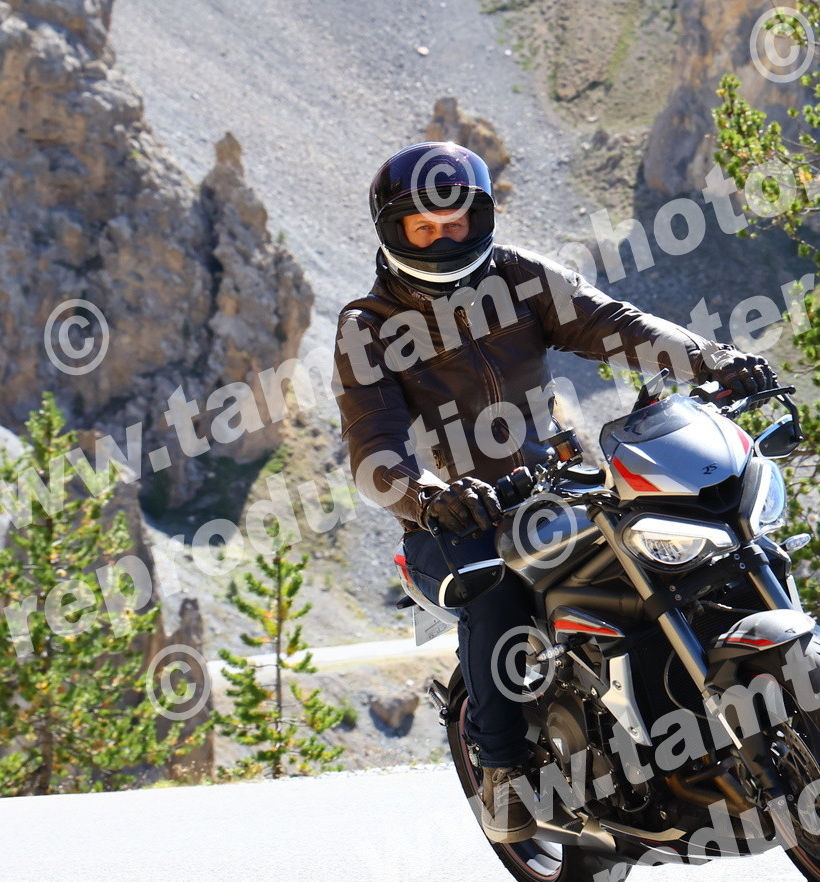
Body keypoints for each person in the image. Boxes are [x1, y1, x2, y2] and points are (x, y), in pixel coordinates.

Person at [331, 142, 776, 843]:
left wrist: (711, 360)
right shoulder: (368, 326)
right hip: (451, 517)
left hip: (552, 483)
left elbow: (615, 325)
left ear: (480, 219)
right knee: (492, 589)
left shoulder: (518, 276)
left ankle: (705, 721)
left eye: (455, 223)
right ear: (395, 231)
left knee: (680, 542)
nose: (443, 239)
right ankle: (503, 771)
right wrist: (428, 495)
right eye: (424, 227)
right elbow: (373, 450)